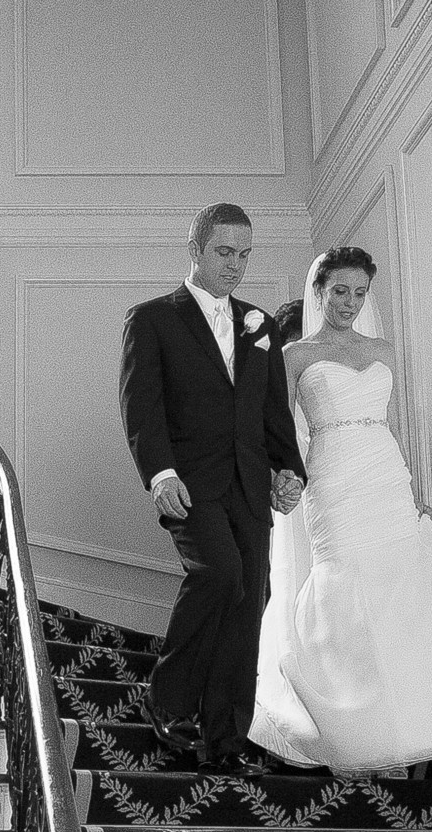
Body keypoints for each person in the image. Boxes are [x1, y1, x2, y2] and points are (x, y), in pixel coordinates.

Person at [248, 247, 432, 771]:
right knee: (346, 589)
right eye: (340, 291)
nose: (350, 302)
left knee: (405, 589)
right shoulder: (295, 356)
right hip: (331, 477)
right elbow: (279, 431)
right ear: (319, 291)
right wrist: (281, 477)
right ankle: (351, 725)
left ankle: (411, 723)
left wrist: (414, 486)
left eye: (360, 292)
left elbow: (392, 424)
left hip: (385, 475)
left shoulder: (384, 350)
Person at [118, 203, 307, 766]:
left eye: (244, 254)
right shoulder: (151, 319)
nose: (235, 265)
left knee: (249, 603)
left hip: (250, 486)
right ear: (195, 248)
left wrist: (289, 470)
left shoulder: (261, 326)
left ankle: (225, 741)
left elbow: (273, 411)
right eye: (225, 252)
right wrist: (160, 473)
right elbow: (141, 407)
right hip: (189, 485)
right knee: (220, 575)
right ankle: (169, 699)